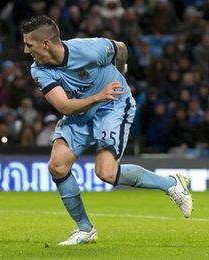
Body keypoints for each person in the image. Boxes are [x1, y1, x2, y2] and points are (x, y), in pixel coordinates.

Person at [22, 16, 192, 246]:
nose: (25, 50)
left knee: (106, 173)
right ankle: (85, 229)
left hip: (113, 105)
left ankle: (171, 183)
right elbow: (63, 106)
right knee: (57, 166)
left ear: (46, 44)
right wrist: (97, 95)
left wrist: (120, 73)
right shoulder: (38, 70)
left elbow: (119, 48)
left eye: (29, 44)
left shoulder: (89, 49)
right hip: (82, 109)